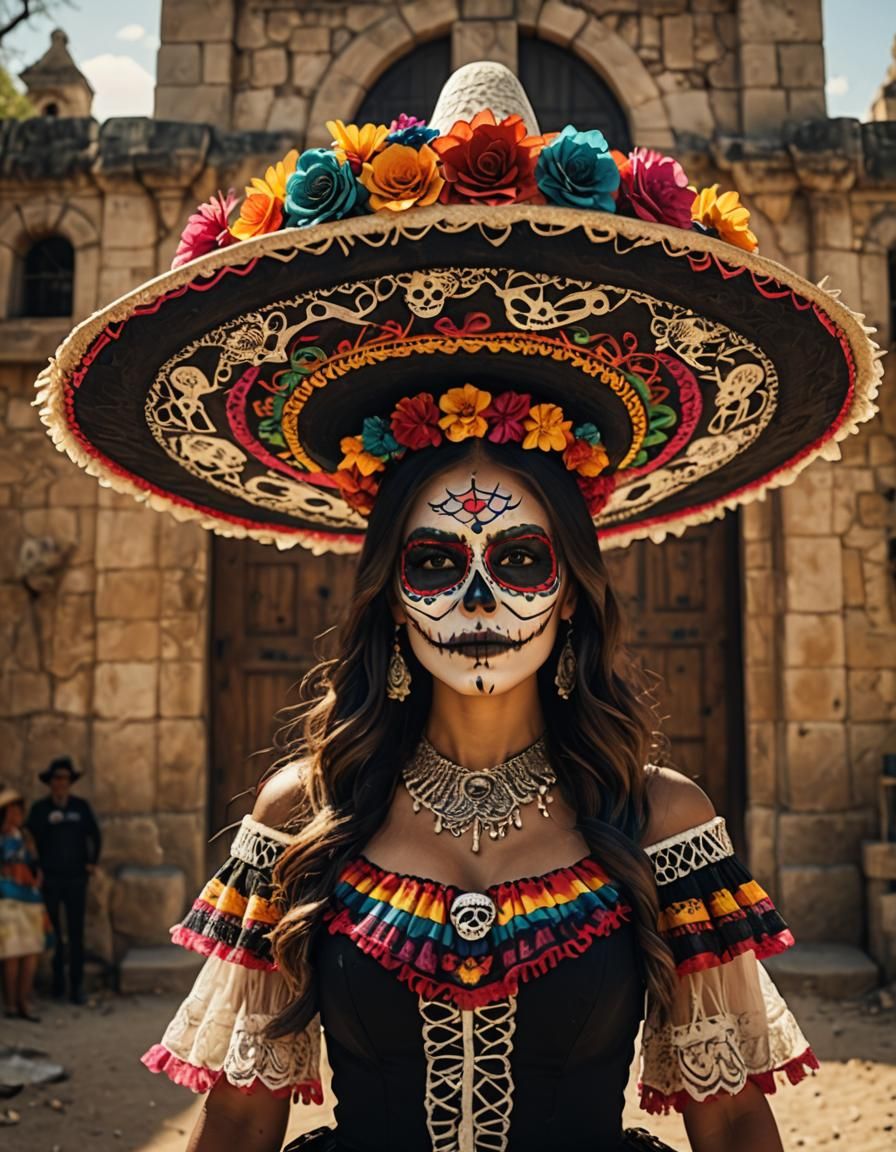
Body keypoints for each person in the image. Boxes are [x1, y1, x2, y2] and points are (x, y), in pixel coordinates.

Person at [38, 61, 881, 1152]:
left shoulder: (660, 820)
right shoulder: (304, 815)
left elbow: (730, 1137)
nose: (477, 600)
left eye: (521, 558)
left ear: (574, 594)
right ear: (388, 597)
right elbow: (235, 1135)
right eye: (434, 565)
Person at [26, 757, 101, 1005]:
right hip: (50, 879)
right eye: (57, 778)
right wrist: (34, 869)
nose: (61, 783)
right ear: (50, 782)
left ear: (70, 782)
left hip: (76, 878)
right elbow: (29, 840)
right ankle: (57, 983)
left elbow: (95, 834)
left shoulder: (80, 808)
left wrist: (92, 862)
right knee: (55, 933)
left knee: (76, 933)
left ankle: (76, 986)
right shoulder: (40, 810)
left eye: (65, 779)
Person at [0, 783, 47, 1022]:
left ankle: (23, 1002)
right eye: (11, 810)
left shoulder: (26, 837)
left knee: (30, 953)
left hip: (30, 900)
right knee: (11, 955)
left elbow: (35, 864)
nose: (16, 814)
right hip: (7, 901)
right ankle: (10, 1004)